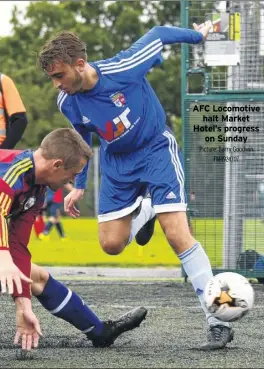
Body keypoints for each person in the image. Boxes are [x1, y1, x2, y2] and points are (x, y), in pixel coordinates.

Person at [38, 21, 234, 350]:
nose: (56, 85)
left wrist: (198, 35)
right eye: (52, 78)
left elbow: (158, 34)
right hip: (117, 164)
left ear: (80, 65)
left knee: (177, 234)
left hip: (156, 150)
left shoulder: (123, 67)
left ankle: (218, 320)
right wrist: (80, 185)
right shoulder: (67, 102)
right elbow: (82, 138)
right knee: (111, 244)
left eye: (59, 76)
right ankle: (145, 212)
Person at [0, 128, 147, 362]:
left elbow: (17, 245)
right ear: (56, 165)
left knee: (37, 277)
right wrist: (4, 262)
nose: (72, 181)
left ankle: (99, 333)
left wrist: (23, 305)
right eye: (73, 174)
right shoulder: (9, 170)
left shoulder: (38, 188)